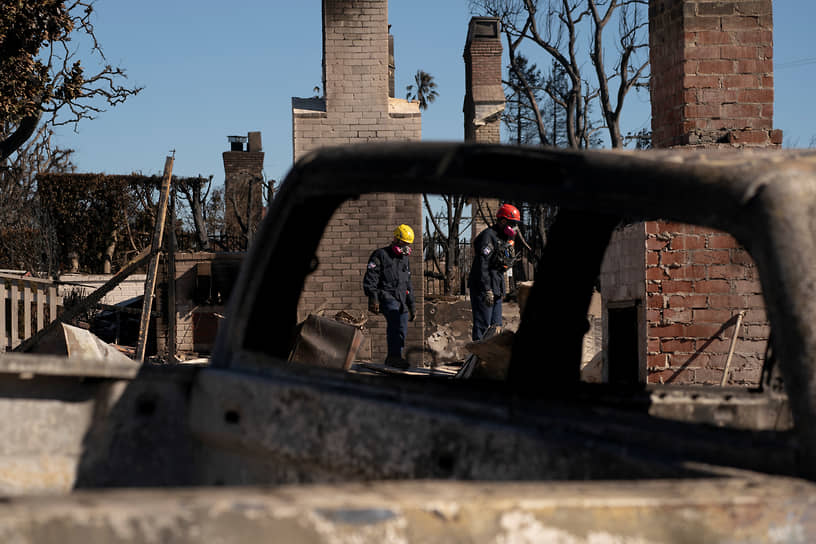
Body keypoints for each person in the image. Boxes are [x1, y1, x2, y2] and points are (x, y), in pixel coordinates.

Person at [363, 224, 416, 369]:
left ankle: (395, 356)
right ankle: (394, 357)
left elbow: (408, 283)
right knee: (395, 323)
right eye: (404, 244)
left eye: (408, 245)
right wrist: (373, 298)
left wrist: (412, 306)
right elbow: (371, 277)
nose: (406, 247)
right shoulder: (380, 255)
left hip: (401, 300)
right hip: (386, 296)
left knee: (402, 328)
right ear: (396, 240)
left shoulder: (405, 260)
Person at [468, 203, 520, 341]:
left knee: (497, 327)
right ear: (503, 221)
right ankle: (477, 360)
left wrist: (511, 242)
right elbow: (482, 265)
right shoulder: (488, 236)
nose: (514, 227)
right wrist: (487, 290)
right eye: (512, 223)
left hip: (495, 287)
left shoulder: (503, 239)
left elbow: (503, 265)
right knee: (483, 326)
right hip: (484, 288)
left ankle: (491, 359)